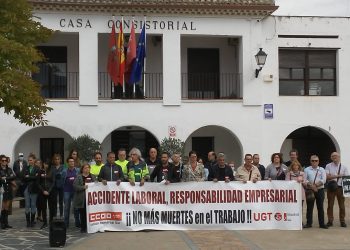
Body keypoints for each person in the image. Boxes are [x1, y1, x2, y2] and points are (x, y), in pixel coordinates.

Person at [303, 155, 328, 229]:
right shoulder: (307, 169)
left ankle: (322, 224)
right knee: (309, 207)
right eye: (312, 161)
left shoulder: (322, 169)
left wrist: (315, 186)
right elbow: (305, 180)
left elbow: (324, 180)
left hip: (320, 190)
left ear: (318, 161)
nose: (314, 162)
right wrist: (312, 186)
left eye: (316, 161)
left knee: (320, 207)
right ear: (310, 161)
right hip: (310, 190)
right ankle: (309, 223)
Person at [325, 152, 349, 227]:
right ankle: (330, 220)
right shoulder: (328, 166)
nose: (334, 157)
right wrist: (338, 175)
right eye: (332, 156)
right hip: (331, 187)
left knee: (342, 206)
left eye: (336, 156)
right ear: (331, 158)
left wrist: (347, 191)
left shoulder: (344, 167)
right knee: (330, 205)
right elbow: (327, 177)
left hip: (340, 188)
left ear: (339, 157)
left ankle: (342, 221)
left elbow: (346, 178)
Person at [73, 163, 95, 233]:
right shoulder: (78, 177)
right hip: (82, 199)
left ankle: (90, 226)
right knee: (82, 213)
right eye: (85, 168)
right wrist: (83, 187)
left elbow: (96, 185)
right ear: (82, 169)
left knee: (90, 213)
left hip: (91, 198)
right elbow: (75, 186)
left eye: (88, 167)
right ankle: (83, 227)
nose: (87, 169)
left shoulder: (93, 176)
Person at [21, 153, 40, 227]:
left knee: (33, 205)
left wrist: (28, 176)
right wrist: (32, 176)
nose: (30, 161)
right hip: (26, 188)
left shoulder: (37, 168)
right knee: (27, 205)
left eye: (31, 160)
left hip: (34, 188)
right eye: (29, 160)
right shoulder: (26, 167)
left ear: (34, 160)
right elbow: (23, 177)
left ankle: (32, 221)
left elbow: (37, 178)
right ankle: (28, 222)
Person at [62, 157, 80, 228]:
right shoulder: (64, 171)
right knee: (66, 208)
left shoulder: (77, 170)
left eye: (73, 161)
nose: (72, 163)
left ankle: (77, 222)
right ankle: (66, 223)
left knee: (76, 207)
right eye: (70, 161)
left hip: (75, 191)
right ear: (67, 163)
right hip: (67, 191)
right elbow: (62, 180)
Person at [0, 155, 16, 229]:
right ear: (0, 161)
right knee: (3, 207)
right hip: (2, 189)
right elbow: (1, 179)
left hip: (8, 189)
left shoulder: (9, 169)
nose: (4, 162)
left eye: (5, 160)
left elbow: (13, 176)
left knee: (7, 207)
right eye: (2, 160)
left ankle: (6, 223)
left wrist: (6, 178)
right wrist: (7, 178)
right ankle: (2, 223)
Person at [37, 160, 53, 228]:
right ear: (43, 164)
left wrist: (49, 191)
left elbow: (53, 182)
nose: (46, 165)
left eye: (47, 164)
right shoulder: (40, 172)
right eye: (45, 164)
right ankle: (45, 222)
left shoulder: (51, 171)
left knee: (51, 207)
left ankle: (51, 222)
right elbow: (38, 183)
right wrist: (43, 191)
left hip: (50, 192)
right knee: (43, 208)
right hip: (42, 192)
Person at [50, 154, 64, 220]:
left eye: (58, 159)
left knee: (61, 201)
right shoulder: (52, 167)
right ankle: (55, 214)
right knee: (54, 201)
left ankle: (61, 214)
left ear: (60, 160)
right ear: (54, 160)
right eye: (56, 159)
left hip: (61, 186)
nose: (57, 160)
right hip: (54, 186)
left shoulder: (63, 167)